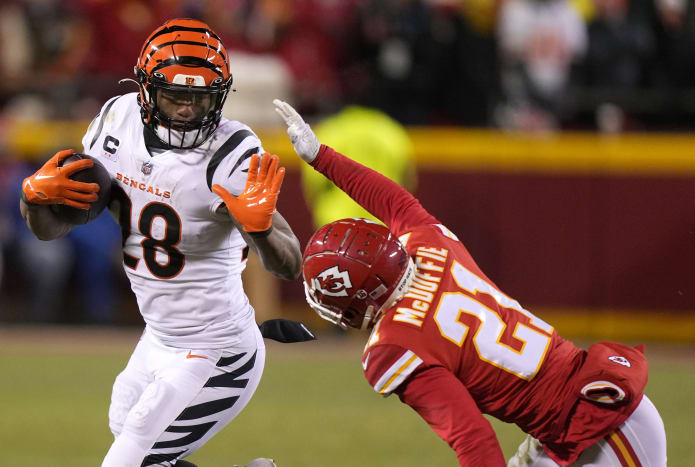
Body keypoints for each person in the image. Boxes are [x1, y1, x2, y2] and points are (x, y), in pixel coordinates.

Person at [273, 99, 667, 466]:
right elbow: (390, 199)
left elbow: (473, 439)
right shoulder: (430, 245)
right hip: (583, 413)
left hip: (596, 429)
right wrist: (320, 156)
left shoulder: (391, 348)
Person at [19, 18, 309, 467]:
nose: (188, 110)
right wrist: (34, 201)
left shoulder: (232, 153)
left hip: (218, 348)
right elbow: (49, 229)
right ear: (146, 89)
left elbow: (290, 264)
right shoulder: (117, 120)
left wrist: (263, 228)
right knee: (133, 437)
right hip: (158, 337)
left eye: (200, 97)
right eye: (176, 95)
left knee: (128, 460)